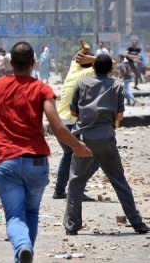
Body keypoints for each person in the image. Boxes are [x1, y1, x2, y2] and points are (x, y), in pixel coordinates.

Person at [0, 41, 92, 263]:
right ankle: (24, 252)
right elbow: (57, 127)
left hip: (5, 163)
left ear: (10, 63)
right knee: (32, 213)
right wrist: (78, 146)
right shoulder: (41, 89)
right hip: (36, 163)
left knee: (15, 216)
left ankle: (23, 246)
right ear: (34, 63)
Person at [64, 54, 149, 236]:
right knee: (119, 180)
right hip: (106, 138)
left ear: (93, 67)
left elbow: (73, 111)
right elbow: (119, 115)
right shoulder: (116, 85)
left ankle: (72, 225)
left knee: (76, 182)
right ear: (110, 69)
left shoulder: (82, 84)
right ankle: (137, 223)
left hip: (84, 139)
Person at [53, 46, 99, 201]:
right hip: (72, 124)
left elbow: (75, 58)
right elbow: (109, 63)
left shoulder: (73, 70)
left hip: (59, 123)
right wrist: (92, 58)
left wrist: (83, 50)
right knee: (94, 156)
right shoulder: (89, 73)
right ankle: (76, 189)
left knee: (68, 155)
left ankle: (59, 190)